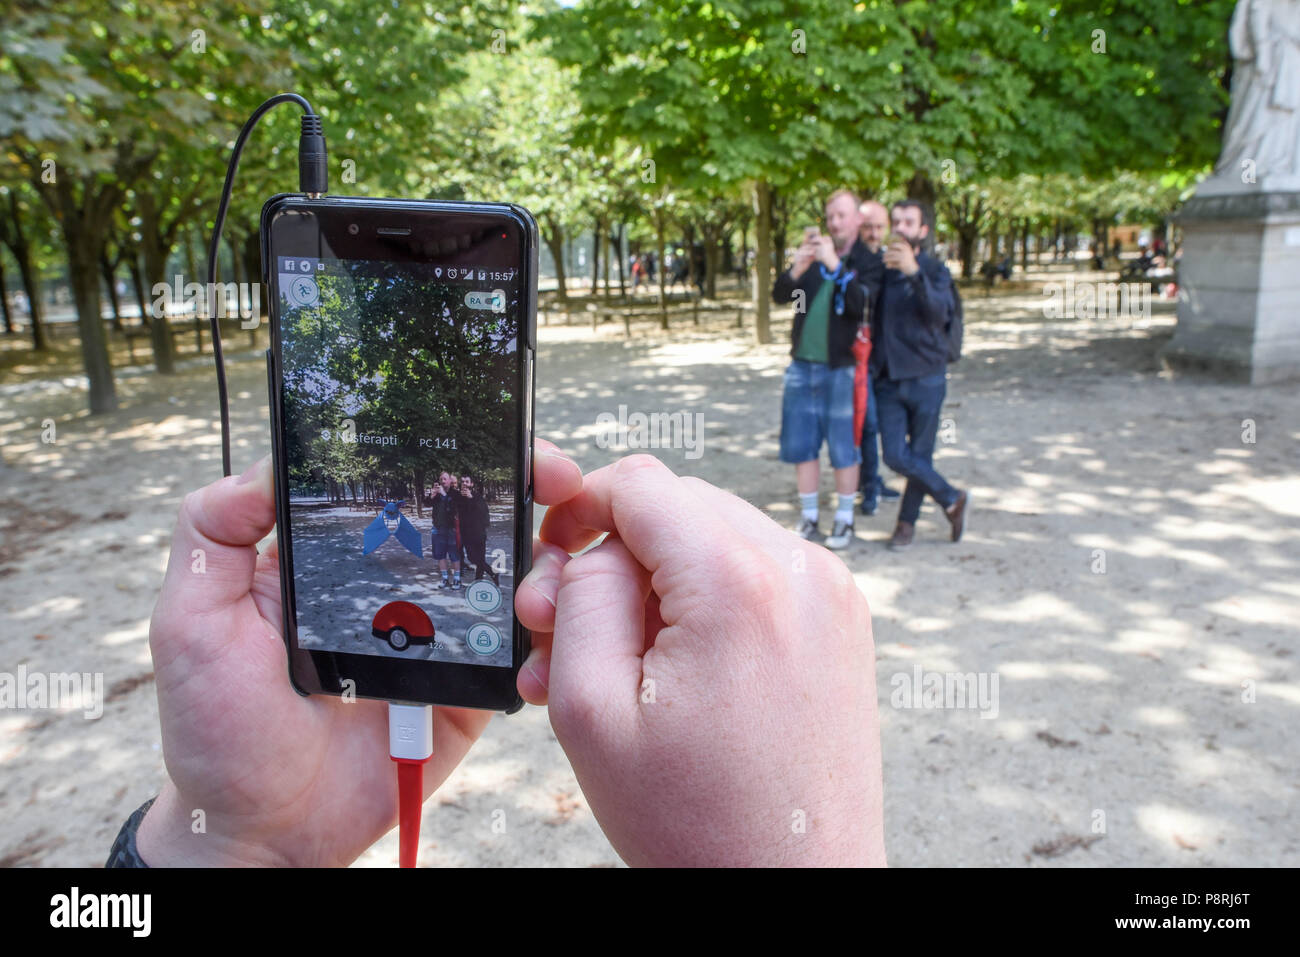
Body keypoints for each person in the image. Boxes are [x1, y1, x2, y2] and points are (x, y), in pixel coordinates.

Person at [116, 444, 885, 867]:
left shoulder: (468, 498)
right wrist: (235, 840)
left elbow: (473, 523)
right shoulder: (439, 501)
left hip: (467, 552)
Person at [771, 189, 881, 549]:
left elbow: (859, 304)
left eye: (842, 215)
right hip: (802, 365)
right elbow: (780, 294)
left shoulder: (867, 260)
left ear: (857, 219)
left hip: (841, 367)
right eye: (830, 216)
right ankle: (809, 516)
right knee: (803, 445)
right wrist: (797, 267)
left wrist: (835, 264)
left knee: (843, 447)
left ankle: (845, 519)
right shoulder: (814, 258)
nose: (834, 222)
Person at [870, 200, 968, 550]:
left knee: (921, 455)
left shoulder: (935, 270)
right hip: (888, 380)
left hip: (927, 377)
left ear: (922, 231)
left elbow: (938, 314)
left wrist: (913, 272)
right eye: (895, 221)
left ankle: (905, 526)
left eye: (908, 222)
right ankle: (951, 497)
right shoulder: (881, 270)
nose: (900, 227)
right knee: (895, 455)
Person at [856, 199, 900, 516]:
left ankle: (872, 480)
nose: (873, 234)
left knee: (880, 423)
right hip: (857, 356)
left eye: (879, 227)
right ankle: (868, 488)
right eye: (867, 227)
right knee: (867, 424)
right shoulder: (850, 262)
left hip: (886, 357)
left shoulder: (889, 260)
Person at [457, 473, 497, 585]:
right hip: (466, 533)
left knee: (480, 557)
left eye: (467, 481)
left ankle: (478, 580)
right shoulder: (459, 497)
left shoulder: (478, 496)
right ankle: (492, 572)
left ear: (471, 484)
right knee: (472, 558)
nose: (464, 484)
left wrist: (471, 498)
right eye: (463, 481)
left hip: (479, 532)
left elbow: (484, 513)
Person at [430, 471, 462, 589]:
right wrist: (431, 496)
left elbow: (454, 508)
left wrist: (444, 495)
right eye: (441, 479)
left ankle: (457, 579)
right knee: (440, 555)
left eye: (445, 479)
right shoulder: (437, 493)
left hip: (451, 529)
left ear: (450, 480)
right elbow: (427, 503)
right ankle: (444, 578)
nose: (442, 481)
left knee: (454, 555)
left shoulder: (456, 494)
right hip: (438, 528)